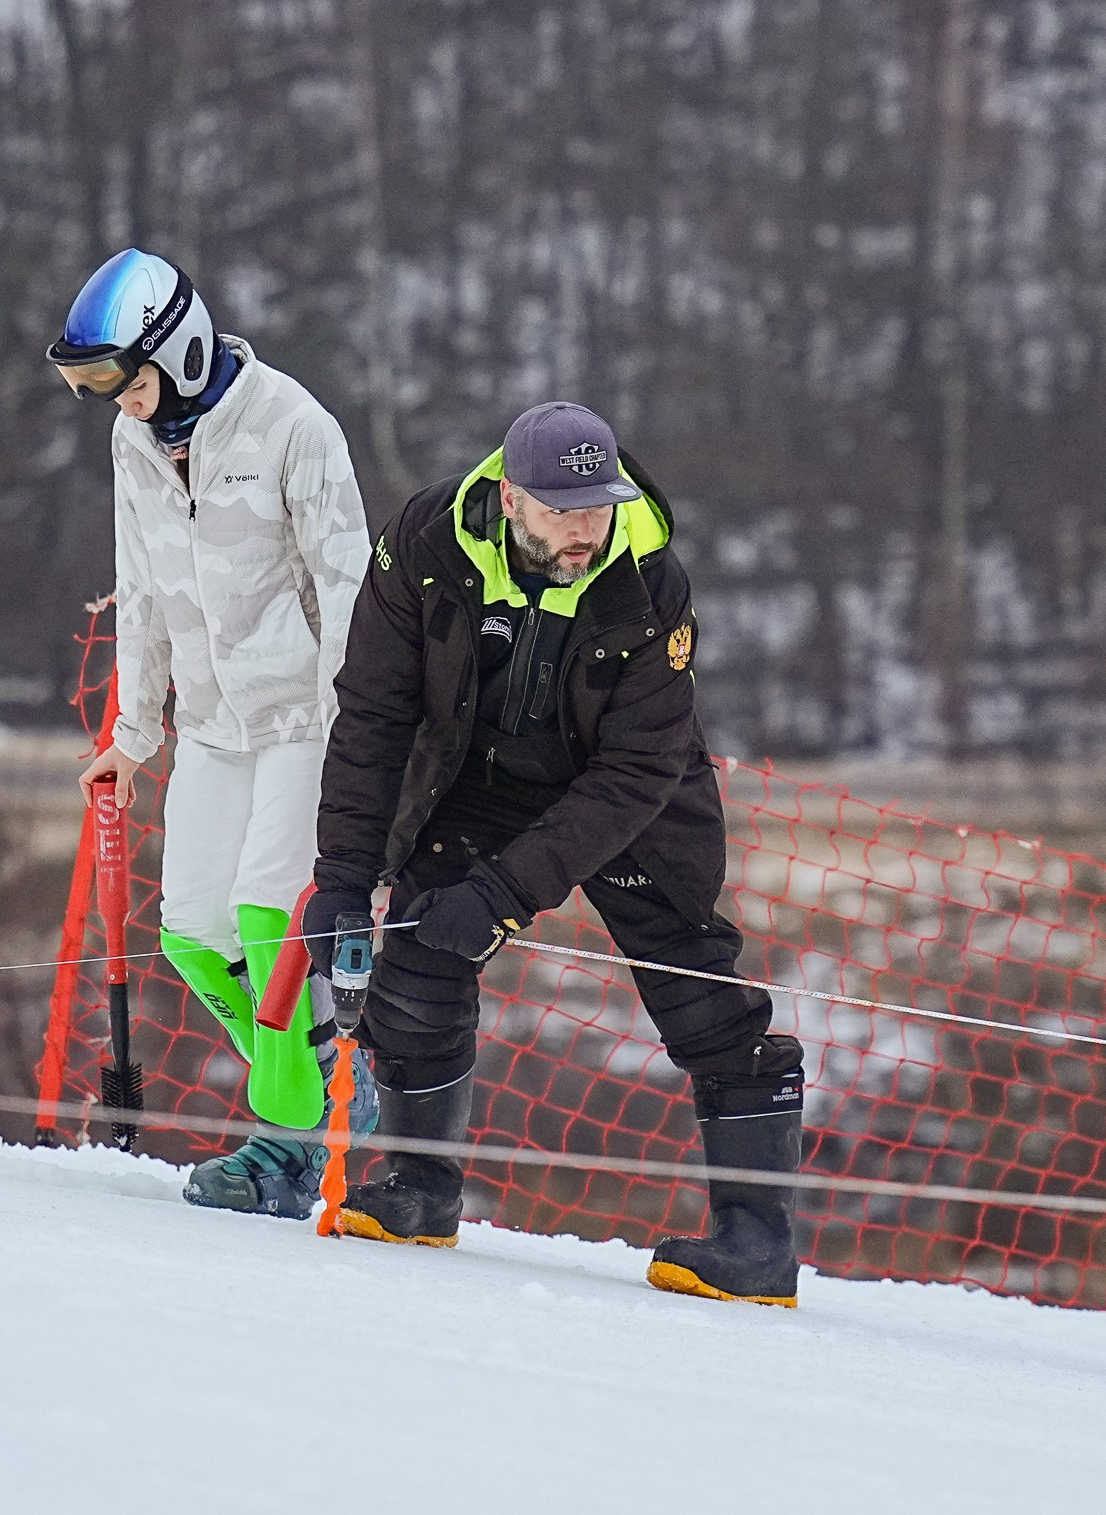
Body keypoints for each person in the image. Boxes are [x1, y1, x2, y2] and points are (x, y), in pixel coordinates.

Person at [300, 400, 806, 1305]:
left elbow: (638, 767)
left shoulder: (650, 581)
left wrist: (504, 892)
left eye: (598, 505)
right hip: (479, 777)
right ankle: (419, 1188)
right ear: (508, 497)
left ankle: (757, 1242)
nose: (585, 527)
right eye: (562, 509)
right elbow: (374, 713)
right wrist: (341, 878)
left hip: (629, 794)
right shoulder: (426, 543)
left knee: (700, 994)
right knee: (417, 960)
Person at [51, 247, 374, 1218]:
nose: (119, 403)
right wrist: (133, 732)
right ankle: (327, 1087)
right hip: (212, 724)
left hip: (305, 718)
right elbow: (141, 586)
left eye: (126, 380)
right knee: (193, 934)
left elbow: (348, 589)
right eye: (98, 388)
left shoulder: (294, 427)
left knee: (267, 919)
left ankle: (289, 1148)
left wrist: (357, 738)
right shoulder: (135, 442)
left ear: (179, 349)